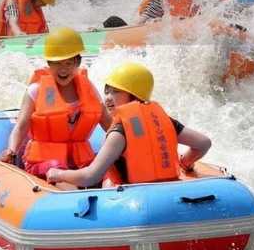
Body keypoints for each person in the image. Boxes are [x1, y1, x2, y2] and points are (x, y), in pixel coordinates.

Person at [46, 62, 211, 188]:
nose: (108, 98)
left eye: (116, 92)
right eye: (107, 91)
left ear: (134, 95)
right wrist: (186, 163)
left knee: (105, 179)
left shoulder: (119, 132)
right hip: (168, 190)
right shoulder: (164, 120)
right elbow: (203, 143)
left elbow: (90, 177)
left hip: (132, 199)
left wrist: (58, 174)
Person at [0, 27, 110, 178]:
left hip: (78, 161)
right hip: (44, 163)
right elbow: (21, 126)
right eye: (58, 63)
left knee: (108, 168)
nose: (63, 70)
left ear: (77, 63)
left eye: (69, 63)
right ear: (49, 63)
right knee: (57, 169)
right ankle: (74, 196)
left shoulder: (88, 87)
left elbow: (107, 122)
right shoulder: (35, 90)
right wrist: (11, 150)